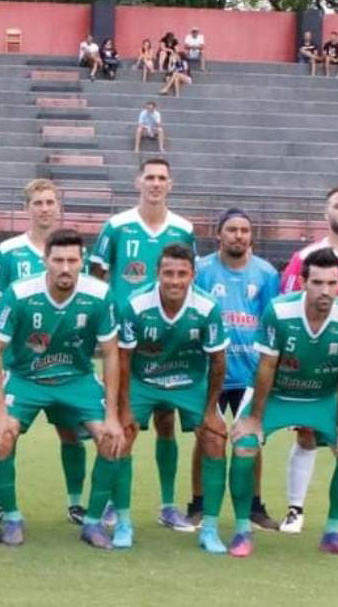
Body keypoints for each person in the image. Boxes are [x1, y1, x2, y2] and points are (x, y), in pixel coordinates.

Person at [0, 229, 125, 548]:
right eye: (58, 260)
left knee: (111, 439)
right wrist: (0, 412)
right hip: (26, 378)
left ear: (82, 261)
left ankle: (92, 522)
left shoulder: (100, 294)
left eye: (72, 261)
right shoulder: (20, 293)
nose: (65, 268)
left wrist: (113, 414)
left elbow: (111, 353)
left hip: (77, 378)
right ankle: (12, 517)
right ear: (45, 260)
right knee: (1, 439)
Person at [228, 248, 338, 559]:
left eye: (332, 283)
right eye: (317, 282)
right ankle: (242, 530)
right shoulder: (279, 312)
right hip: (276, 395)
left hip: (322, 397)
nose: (325, 290)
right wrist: (254, 418)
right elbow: (266, 366)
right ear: (303, 282)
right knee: (244, 443)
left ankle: (333, 533)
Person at [90, 157, 196, 530]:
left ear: (170, 184)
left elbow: (190, 279)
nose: (155, 183)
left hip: (167, 341)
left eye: (162, 178)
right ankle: (111, 504)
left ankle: (167, 506)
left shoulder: (183, 228)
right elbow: (96, 273)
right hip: (124, 340)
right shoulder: (117, 225)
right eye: (149, 177)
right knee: (123, 421)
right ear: (138, 182)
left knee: (167, 422)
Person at [277, 186, 338, 535]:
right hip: (315, 364)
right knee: (307, 436)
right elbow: (286, 305)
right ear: (326, 214)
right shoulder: (305, 257)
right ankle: (295, 510)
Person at [0, 180, 90, 524]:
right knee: (6, 430)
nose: (44, 208)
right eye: (38, 202)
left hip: (65, 363)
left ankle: (75, 502)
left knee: (70, 432)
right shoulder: (9, 251)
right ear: (26, 208)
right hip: (21, 364)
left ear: (58, 206)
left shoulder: (71, 251)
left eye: (50, 202)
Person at [117, 243, 229, 552]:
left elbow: (218, 361)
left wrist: (210, 411)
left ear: (193, 275)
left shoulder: (207, 307)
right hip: (144, 380)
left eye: (182, 274)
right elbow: (123, 359)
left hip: (189, 383)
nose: (175, 280)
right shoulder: (136, 304)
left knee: (215, 439)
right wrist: (123, 408)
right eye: (168, 273)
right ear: (157, 273)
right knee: (120, 437)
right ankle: (122, 521)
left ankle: (209, 529)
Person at [188, 209, 280, 531]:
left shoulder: (266, 273)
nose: (238, 235)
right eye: (232, 229)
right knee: (206, 437)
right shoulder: (201, 270)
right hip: (210, 370)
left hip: (249, 372)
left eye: (244, 230)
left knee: (251, 438)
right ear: (219, 234)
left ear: (251, 235)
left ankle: (254, 506)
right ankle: (198, 505)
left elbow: (271, 322)